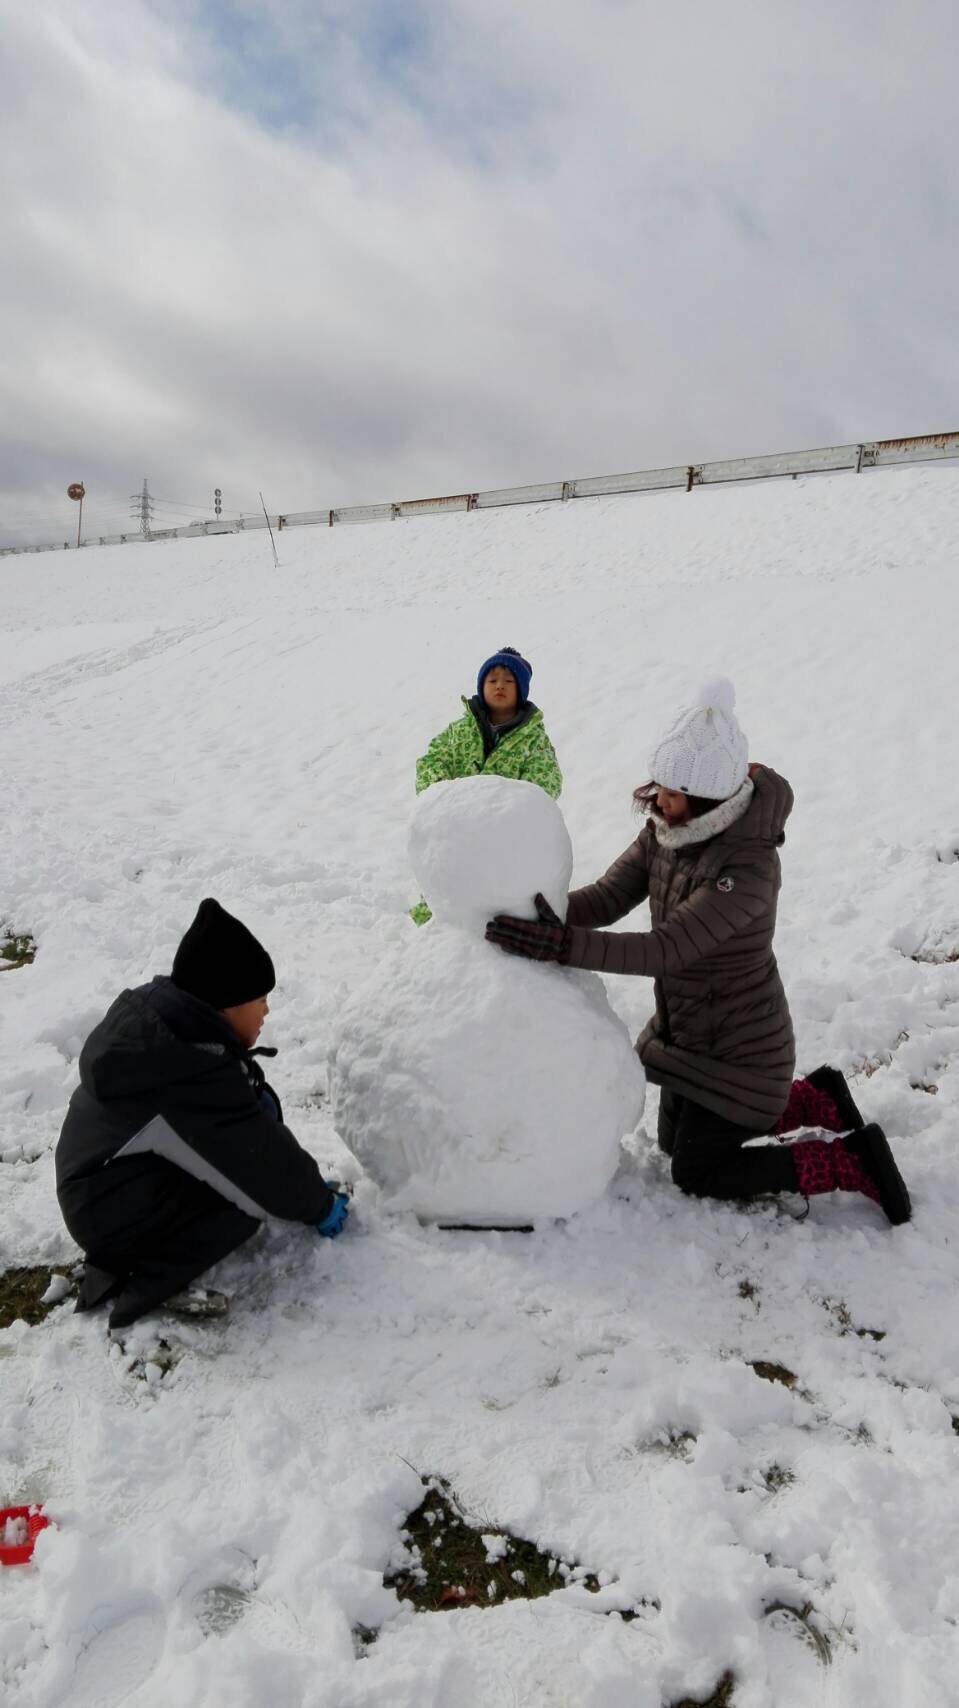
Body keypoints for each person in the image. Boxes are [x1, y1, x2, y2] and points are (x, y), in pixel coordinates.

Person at [485, 680, 910, 1225]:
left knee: (697, 1172)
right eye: (660, 784)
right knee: (669, 1143)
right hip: (692, 1036)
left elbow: (666, 950)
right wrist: (539, 909)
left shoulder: (748, 870)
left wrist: (561, 946)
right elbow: (610, 895)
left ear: (712, 796)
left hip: (742, 1051)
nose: (660, 800)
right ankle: (811, 1102)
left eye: (676, 792)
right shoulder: (667, 830)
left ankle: (848, 1160)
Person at [55, 899, 350, 1330]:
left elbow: (243, 1119)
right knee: (242, 1205)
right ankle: (148, 1274)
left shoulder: (173, 1031)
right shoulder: (181, 1067)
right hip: (108, 1214)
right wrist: (317, 1205)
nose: (267, 1010)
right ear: (225, 1005)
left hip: (107, 1185)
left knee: (254, 1110)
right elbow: (257, 1160)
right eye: (260, 999)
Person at [411, 646, 562, 923]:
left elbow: (546, 782)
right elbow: (431, 761)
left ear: (521, 690)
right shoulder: (459, 731)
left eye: (508, 681)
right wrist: (442, 796)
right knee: (446, 894)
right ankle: (432, 936)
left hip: (502, 841)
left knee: (495, 900)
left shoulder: (533, 739)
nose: (499, 686)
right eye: (492, 681)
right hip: (456, 831)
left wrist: (507, 810)